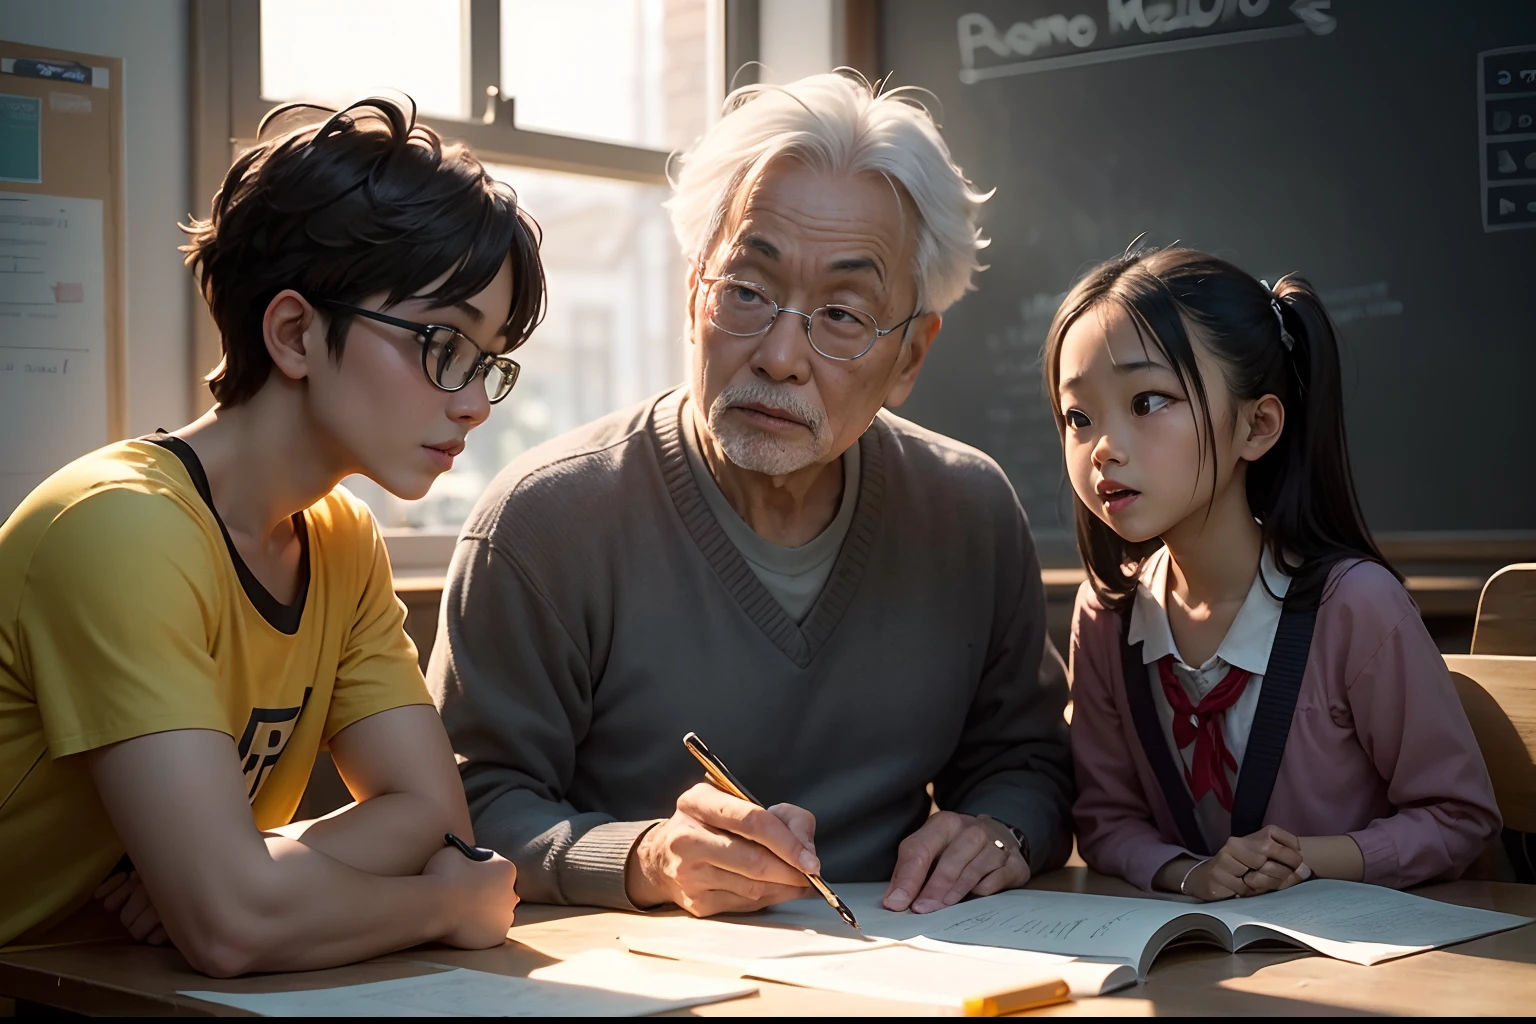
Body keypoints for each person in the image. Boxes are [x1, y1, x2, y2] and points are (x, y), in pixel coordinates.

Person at [431, 71, 1074, 921]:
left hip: (918, 970)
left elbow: (1028, 761)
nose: (778, 354)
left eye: (843, 314)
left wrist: (1000, 827)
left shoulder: (969, 511)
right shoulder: (543, 521)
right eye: (747, 289)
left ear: (912, 356)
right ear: (691, 293)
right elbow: (466, 811)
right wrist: (645, 859)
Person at [0, 96, 544, 974]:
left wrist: (255, 874)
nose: (475, 402)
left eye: (487, 363)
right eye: (443, 343)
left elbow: (434, 817)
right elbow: (233, 927)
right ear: (294, 331)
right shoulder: (119, 530)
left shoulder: (340, 541)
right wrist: (444, 903)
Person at [1050, 245, 1500, 900]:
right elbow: (1106, 820)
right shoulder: (1105, 614)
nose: (1103, 449)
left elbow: (1460, 819)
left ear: (1257, 425)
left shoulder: (1354, 608)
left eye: (1147, 401)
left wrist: (1309, 858)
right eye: (1077, 418)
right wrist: (1194, 873)